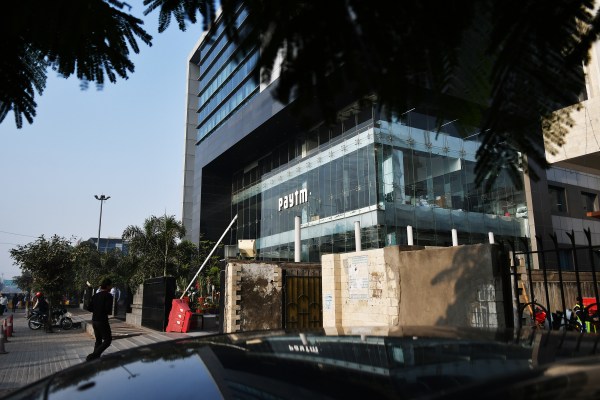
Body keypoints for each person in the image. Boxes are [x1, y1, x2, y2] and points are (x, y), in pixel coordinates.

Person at [86, 278, 114, 361]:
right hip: (102, 320)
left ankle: (95, 359)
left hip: (94, 320)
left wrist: (97, 309)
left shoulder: (95, 296)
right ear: (107, 286)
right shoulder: (108, 296)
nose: (111, 288)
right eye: (111, 286)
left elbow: (89, 308)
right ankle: (93, 356)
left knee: (98, 340)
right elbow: (108, 310)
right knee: (108, 340)